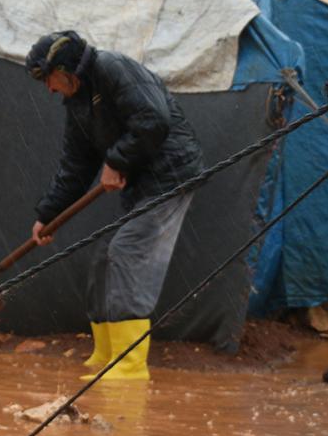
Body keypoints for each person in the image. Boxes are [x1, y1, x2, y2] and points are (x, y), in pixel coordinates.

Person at [25, 31, 203, 380]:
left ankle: (130, 365)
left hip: (170, 176)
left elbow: (154, 119)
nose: (49, 89)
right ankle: (104, 353)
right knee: (104, 260)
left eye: (49, 79)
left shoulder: (112, 68)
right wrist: (47, 215)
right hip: (141, 185)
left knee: (127, 254)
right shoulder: (77, 105)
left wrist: (118, 160)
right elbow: (75, 168)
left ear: (65, 68)